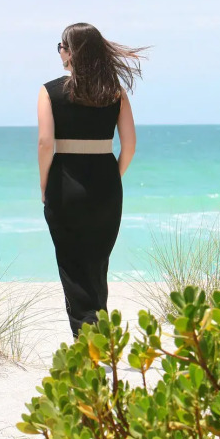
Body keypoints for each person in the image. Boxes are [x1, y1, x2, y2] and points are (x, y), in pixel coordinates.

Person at [37, 22, 145, 337]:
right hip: (106, 185)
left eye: (61, 45)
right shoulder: (114, 91)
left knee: (73, 267)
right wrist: (114, 177)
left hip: (65, 183)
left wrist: (44, 183)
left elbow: (46, 144)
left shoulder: (49, 91)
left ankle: (86, 340)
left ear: (70, 52)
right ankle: (99, 336)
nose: (59, 51)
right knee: (97, 266)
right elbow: (130, 145)